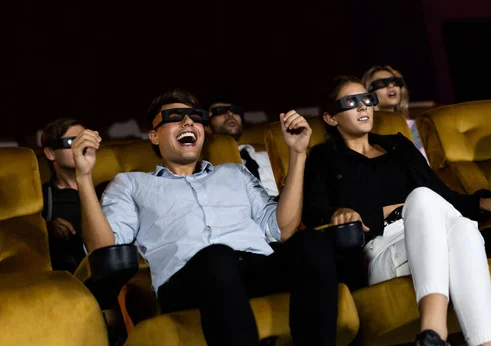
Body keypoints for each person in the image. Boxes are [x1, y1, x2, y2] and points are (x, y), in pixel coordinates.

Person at [71, 89, 338, 346]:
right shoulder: (131, 184)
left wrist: (298, 152)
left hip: (254, 267)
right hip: (187, 280)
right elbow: (103, 250)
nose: (188, 121)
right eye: (174, 117)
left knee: (312, 243)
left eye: (195, 117)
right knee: (217, 258)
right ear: (153, 136)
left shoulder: (235, 173)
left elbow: (283, 230)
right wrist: (83, 177)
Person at [302, 76, 491, 346]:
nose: (364, 107)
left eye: (367, 100)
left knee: (464, 228)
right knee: (424, 200)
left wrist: (490, 203)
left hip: (434, 233)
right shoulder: (323, 157)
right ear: (330, 118)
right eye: (351, 102)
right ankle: (436, 330)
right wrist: (336, 212)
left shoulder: (399, 146)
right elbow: (313, 212)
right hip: (383, 247)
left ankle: (454, 340)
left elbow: (445, 197)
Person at [41, 118, 87, 273]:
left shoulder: (108, 190)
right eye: (72, 143)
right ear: (50, 153)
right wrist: (45, 228)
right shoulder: (40, 199)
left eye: (86, 140)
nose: (82, 148)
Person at [207, 97, 278, 197]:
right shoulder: (207, 163)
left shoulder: (268, 156)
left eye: (235, 110)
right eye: (219, 111)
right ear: (207, 126)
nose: (230, 114)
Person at [362, 66, 429, 164]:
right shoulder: (364, 132)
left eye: (394, 81)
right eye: (381, 83)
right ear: (369, 94)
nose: (390, 86)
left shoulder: (416, 127)